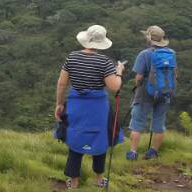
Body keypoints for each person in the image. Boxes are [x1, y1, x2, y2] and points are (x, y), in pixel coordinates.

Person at [55, 24, 125, 190]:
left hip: (76, 104)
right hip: (98, 107)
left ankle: (73, 182)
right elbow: (114, 87)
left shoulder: (72, 57)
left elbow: (62, 83)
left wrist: (59, 103)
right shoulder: (104, 62)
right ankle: (99, 180)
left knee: (75, 137)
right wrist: (119, 71)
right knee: (100, 138)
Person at [126, 26, 175, 161]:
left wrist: (137, 85)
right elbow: (173, 73)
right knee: (159, 123)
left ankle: (133, 153)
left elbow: (139, 77)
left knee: (137, 123)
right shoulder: (171, 53)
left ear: (149, 39)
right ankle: (153, 152)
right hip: (165, 91)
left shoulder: (144, 54)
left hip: (145, 92)